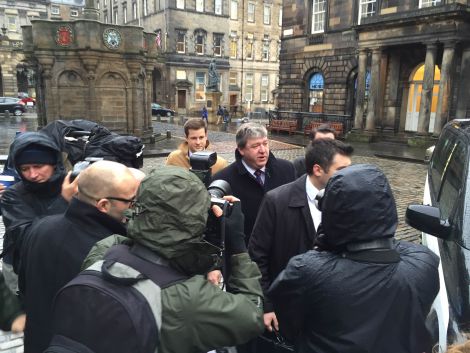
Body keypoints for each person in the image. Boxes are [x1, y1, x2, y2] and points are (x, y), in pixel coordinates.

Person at [50, 167, 265, 353]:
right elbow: (252, 317)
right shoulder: (188, 301)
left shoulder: (107, 248)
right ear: (194, 222)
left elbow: (151, 247)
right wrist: (237, 246)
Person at [269, 164, 440, 353]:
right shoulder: (425, 263)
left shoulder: (307, 270)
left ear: (334, 213)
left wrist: (329, 235)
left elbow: (288, 324)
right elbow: (394, 245)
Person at [19, 160, 140, 353]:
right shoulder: (112, 250)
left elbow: (23, 286)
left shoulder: (40, 226)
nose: (134, 206)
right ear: (104, 205)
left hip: (38, 342)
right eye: (131, 201)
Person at [248, 139, 353, 332]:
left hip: (330, 311)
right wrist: (266, 304)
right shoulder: (276, 201)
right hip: (287, 311)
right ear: (318, 169)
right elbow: (257, 257)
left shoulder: (349, 200)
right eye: (341, 170)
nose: (349, 176)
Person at [0, 131, 77, 293]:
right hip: (23, 267)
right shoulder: (13, 195)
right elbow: (28, 237)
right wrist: (63, 201)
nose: (33, 175)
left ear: (54, 163)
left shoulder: (73, 185)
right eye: (25, 168)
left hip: (67, 263)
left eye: (39, 166)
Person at [212, 123, 296, 242]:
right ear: (241, 150)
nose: (262, 150)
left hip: (283, 246)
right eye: (255, 146)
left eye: (265, 143)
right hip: (246, 251)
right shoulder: (223, 180)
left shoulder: (287, 169)